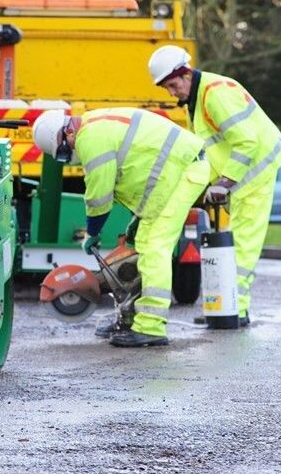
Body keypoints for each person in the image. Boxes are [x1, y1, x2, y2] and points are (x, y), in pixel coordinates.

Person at [32, 107, 210, 347]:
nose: (72, 153)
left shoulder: (90, 139)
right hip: (178, 172)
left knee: (154, 247)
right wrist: (137, 218)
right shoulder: (95, 124)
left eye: (66, 149)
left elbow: (99, 197)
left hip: (184, 171)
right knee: (141, 242)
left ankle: (151, 326)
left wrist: (92, 233)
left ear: (67, 133)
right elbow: (136, 171)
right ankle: (130, 317)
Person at [148, 46, 281, 326]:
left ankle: (236, 310)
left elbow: (247, 141)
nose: (171, 92)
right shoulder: (199, 97)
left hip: (254, 174)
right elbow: (211, 148)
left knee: (243, 244)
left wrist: (226, 181)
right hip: (242, 179)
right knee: (232, 243)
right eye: (167, 88)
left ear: (186, 74)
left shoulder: (214, 94)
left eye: (173, 85)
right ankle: (226, 306)